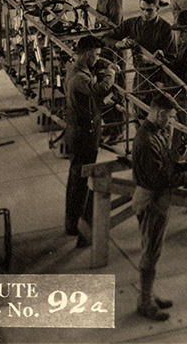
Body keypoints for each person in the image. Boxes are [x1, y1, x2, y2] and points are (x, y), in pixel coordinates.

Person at [132, 92, 187, 321]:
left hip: (155, 198)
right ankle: (145, 303)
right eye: (169, 117)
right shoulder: (146, 140)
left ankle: (149, 294)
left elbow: (165, 163)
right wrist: (186, 176)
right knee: (150, 253)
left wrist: (179, 154)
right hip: (151, 199)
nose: (171, 122)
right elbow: (159, 179)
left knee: (152, 251)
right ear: (159, 113)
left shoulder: (155, 132)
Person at [63, 35, 116, 248]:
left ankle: (73, 221)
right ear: (86, 54)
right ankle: (73, 223)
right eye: (94, 55)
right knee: (79, 179)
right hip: (83, 136)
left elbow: (98, 65)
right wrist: (111, 74)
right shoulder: (79, 78)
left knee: (78, 177)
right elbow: (99, 89)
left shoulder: (79, 67)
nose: (97, 59)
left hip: (84, 132)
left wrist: (105, 63)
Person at [104, 0, 173, 90]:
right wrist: (120, 44)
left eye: (149, 10)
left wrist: (151, 60)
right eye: (142, 9)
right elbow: (105, 38)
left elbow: (173, 58)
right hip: (140, 76)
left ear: (157, 9)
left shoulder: (166, 29)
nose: (145, 13)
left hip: (160, 79)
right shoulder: (132, 23)